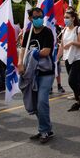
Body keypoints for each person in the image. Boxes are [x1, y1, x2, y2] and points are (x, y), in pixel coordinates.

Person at [19, 8, 55, 143]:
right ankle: (46, 129)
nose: (39, 19)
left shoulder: (47, 32)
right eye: (36, 17)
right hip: (31, 73)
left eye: (41, 16)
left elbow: (46, 52)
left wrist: (33, 53)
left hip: (46, 73)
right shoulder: (28, 34)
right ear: (30, 19)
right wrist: (20, 63)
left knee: (42, 102)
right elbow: (22, 50)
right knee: (34, 102)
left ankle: (44, 131)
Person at [58, 10, 80, 112]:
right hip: (68, 58)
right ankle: (79, 102)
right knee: (76, 81)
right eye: (64, 17)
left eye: (67, 17)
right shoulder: (64, 30)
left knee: (72, 81)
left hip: (79, 58)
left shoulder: (79, 29)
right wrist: (57, 58)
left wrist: (71, 43)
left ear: (73, 18)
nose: (65, 19)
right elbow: (62, 46)